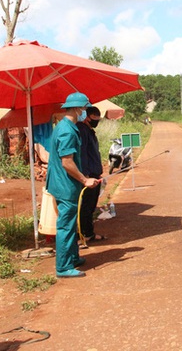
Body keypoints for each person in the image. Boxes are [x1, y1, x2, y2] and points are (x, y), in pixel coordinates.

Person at [46, 92, 101, 278]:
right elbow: (67, 162)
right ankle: (63, 267)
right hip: (65, 184)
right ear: (77, 108)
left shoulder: (66, 126)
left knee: (71, 223)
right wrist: (85, 180)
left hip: (66, 182)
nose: (84, 111)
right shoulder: (67, 131)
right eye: (84, 108)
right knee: (66, 225)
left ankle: (73, 257)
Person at [77, 106, 107, 245]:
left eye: (98, 119)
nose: (96, 122)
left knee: (91, 206)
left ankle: (89, 232)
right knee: (86, 206)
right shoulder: (82, 130)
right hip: (88, 175)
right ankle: (85, 234)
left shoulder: (90, 131)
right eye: (94, 119)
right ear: (87, 117)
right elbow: (82, 154)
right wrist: (86, 175)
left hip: (95, 173)